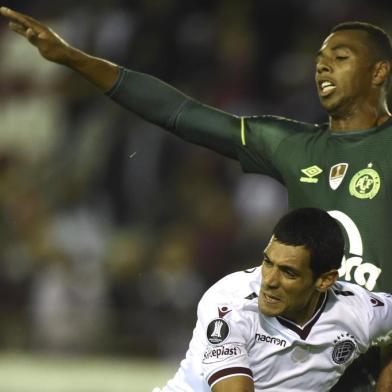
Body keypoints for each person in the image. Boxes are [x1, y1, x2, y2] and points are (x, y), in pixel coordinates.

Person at [1, 6, 391, 390]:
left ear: (379, 71)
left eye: (340, 58)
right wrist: (73, 58)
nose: (323, 67)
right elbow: (180, 113)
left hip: (375, 346)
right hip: (307, 354)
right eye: (320, 59)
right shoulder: (293, 146)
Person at [151, 207, 392, 391]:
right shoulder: (230, 303)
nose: (270, 280)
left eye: (289, 272)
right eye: (268, 262)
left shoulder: (358, 311)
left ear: (325, 280)